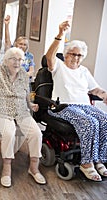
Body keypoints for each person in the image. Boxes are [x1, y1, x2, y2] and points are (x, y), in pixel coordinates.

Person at [45, 21, 107, 182]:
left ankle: (99, 159)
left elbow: (95, 90)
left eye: (79, 55)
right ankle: (86, 164)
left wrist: (105, 96)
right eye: (73, 54)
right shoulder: (58, 66)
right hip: (63, 106)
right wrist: (60, 34)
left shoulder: (84, 71)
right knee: (89, 122)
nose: (76, 58)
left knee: (105, 120)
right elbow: (49, 57)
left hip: (84, 105)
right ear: (65, 54)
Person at [0, 45, 46, 187]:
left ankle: (34, 167)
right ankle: (6, 169)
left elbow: (26, 93)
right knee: (9, 132)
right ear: (6, 60)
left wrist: (30, 104)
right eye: (13, 59)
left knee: (36, 133)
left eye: (20, 60)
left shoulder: (24, 76)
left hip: (21, 110)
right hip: (1, 110)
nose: (17, 62)